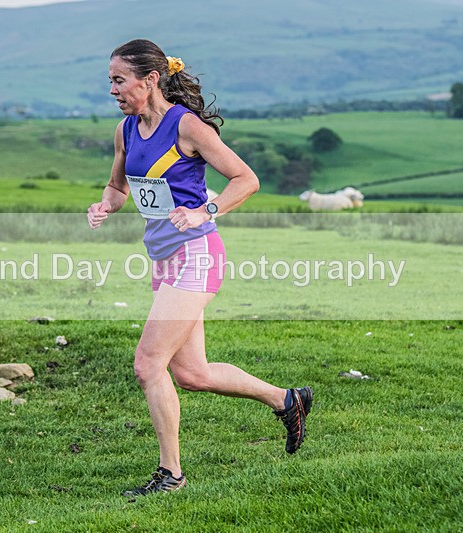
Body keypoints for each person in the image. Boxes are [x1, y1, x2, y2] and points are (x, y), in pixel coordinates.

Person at [87, 39, 313, 497]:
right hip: (165, 258)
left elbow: (246, 179)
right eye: (110, 80)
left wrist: (204, 212)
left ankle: (171, 474)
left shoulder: (186, 127)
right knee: (193, 374)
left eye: (119, 79)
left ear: (150, 80)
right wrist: (105, 205)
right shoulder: (125, 131)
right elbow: (118, 188)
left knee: (149, 363)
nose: (112, 89)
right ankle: (286, 400)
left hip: (197, 253)